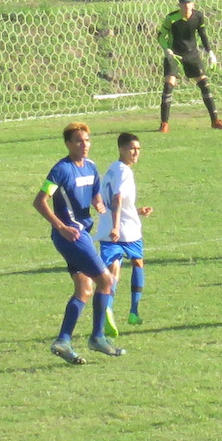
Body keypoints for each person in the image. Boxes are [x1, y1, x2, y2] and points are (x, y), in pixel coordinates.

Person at [32, 122, 121, 362]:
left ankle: (63, 341)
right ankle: (98, 338)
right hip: (71, 236)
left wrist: (98, 203)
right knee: (106, 280)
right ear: (68, 144)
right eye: (79, 141)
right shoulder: (60, 170)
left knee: (85, 289)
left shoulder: (91, 167)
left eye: (87, 140)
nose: (85, 145)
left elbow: (94, 193)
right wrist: (60, 227)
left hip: (81, 232)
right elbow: (39, 201)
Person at [96, 131, 152, 326]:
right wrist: (116, 226)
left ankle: (108, 310)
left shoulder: (112, 169)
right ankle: (133, 312)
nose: (136, 153)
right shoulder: (125, 172)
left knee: (113, 272)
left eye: (138, 149)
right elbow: (117, 198)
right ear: (121, 149)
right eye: (132, 149)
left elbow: (113, 201)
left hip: (106, 229)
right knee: (138, 263)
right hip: (125, 231)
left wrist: (136, 210)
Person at [157, 0, 222, 132]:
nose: (186, 6)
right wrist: (167, 50)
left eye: (189, 3)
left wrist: (210, 53)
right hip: (174, 54)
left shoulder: (198, 16)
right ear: (179, 5)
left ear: (193, 4)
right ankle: (164, 124)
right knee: (169, 84)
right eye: (183, 3)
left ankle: (215, 121)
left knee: (204, 84)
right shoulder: (171, 18)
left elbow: (203, 34)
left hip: (192, 54)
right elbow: (161, 36)